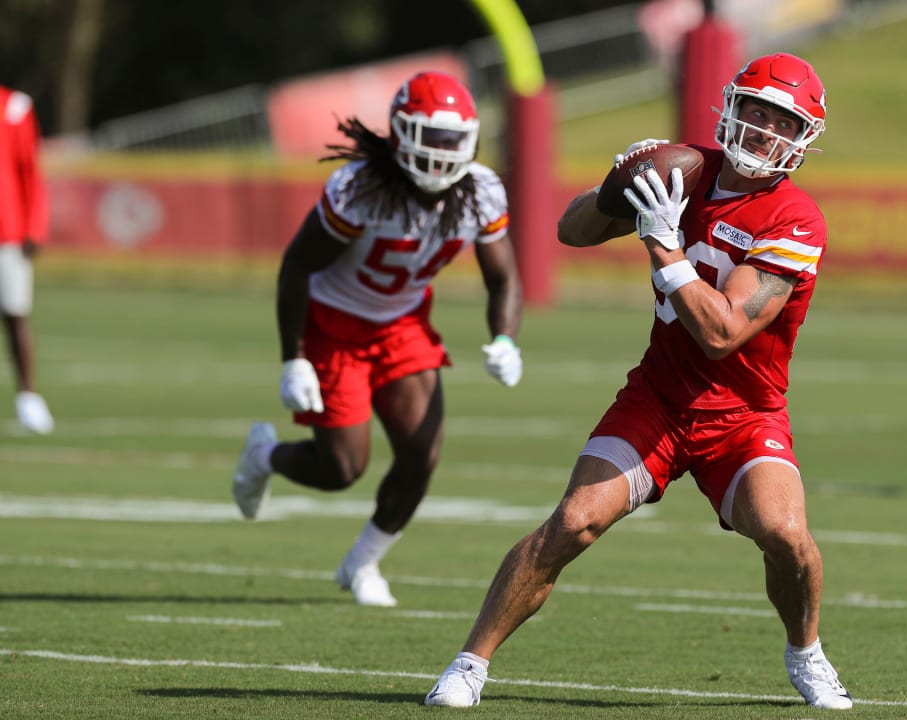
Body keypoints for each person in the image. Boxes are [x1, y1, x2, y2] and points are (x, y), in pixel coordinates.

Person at [425, 52, 853, 710]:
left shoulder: (795, 218)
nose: (763, 129)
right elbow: (571, 232)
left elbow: (722, 332)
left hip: (743, 412)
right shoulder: (683, 172)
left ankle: (806, 650)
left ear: (802, 139)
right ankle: (468, 663)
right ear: (730, 108)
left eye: (781, 121)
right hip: (659, 397)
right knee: (571, 522)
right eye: (756, 111)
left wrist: (663, 244)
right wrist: (617, 188)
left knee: (785, 533)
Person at [231, 71, 523, 607]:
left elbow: (503, 276)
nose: (441, 152)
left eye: (452, 139)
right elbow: (296, 267)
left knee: (422, 454)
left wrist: (505, 339)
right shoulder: (359, 189)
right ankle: (265, 456)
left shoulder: (481, 190)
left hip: (403, 324)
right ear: (400, 133)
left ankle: (363, 562)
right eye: (430, 137)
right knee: (341, 468)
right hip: (334, 324)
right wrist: (291, 359)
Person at [0, 84, 54, 435]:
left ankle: (29, 397)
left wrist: (35, 225)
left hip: (7, 229)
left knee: (15, 314)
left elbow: (30, 169)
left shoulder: (14, 108)